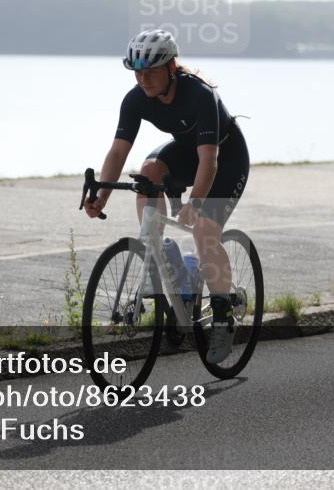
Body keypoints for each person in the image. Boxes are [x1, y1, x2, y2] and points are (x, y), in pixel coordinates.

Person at [83, 29, 250, 363]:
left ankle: (222, 317)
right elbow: (118, 152)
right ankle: (161, 251)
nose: (142, 79)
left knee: (204, 231)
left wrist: (196, 202)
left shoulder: (200, 94)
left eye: (150, 72)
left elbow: (209, 160)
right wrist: (101, 196)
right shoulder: (135, 99)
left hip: (225, 160)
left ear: (171, 67)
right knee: (148, 171)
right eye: (137, 72)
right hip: (188, 153)